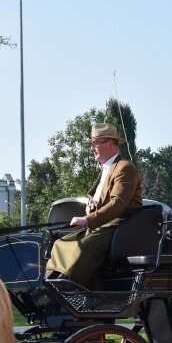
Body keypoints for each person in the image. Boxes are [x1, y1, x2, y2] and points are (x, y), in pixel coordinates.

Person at [46, 122, 143, 287]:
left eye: (95, 143)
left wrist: (87, 219)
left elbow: (118, 203)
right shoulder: (107, 169)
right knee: (60, 242)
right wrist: (91, 205)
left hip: (120, 225)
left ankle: (71, 287)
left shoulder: (124, 168)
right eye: (92, 144)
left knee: (82, 246)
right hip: (102, 225)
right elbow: (99, 197)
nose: (92, 148)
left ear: (111, 143)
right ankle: (54, 283)